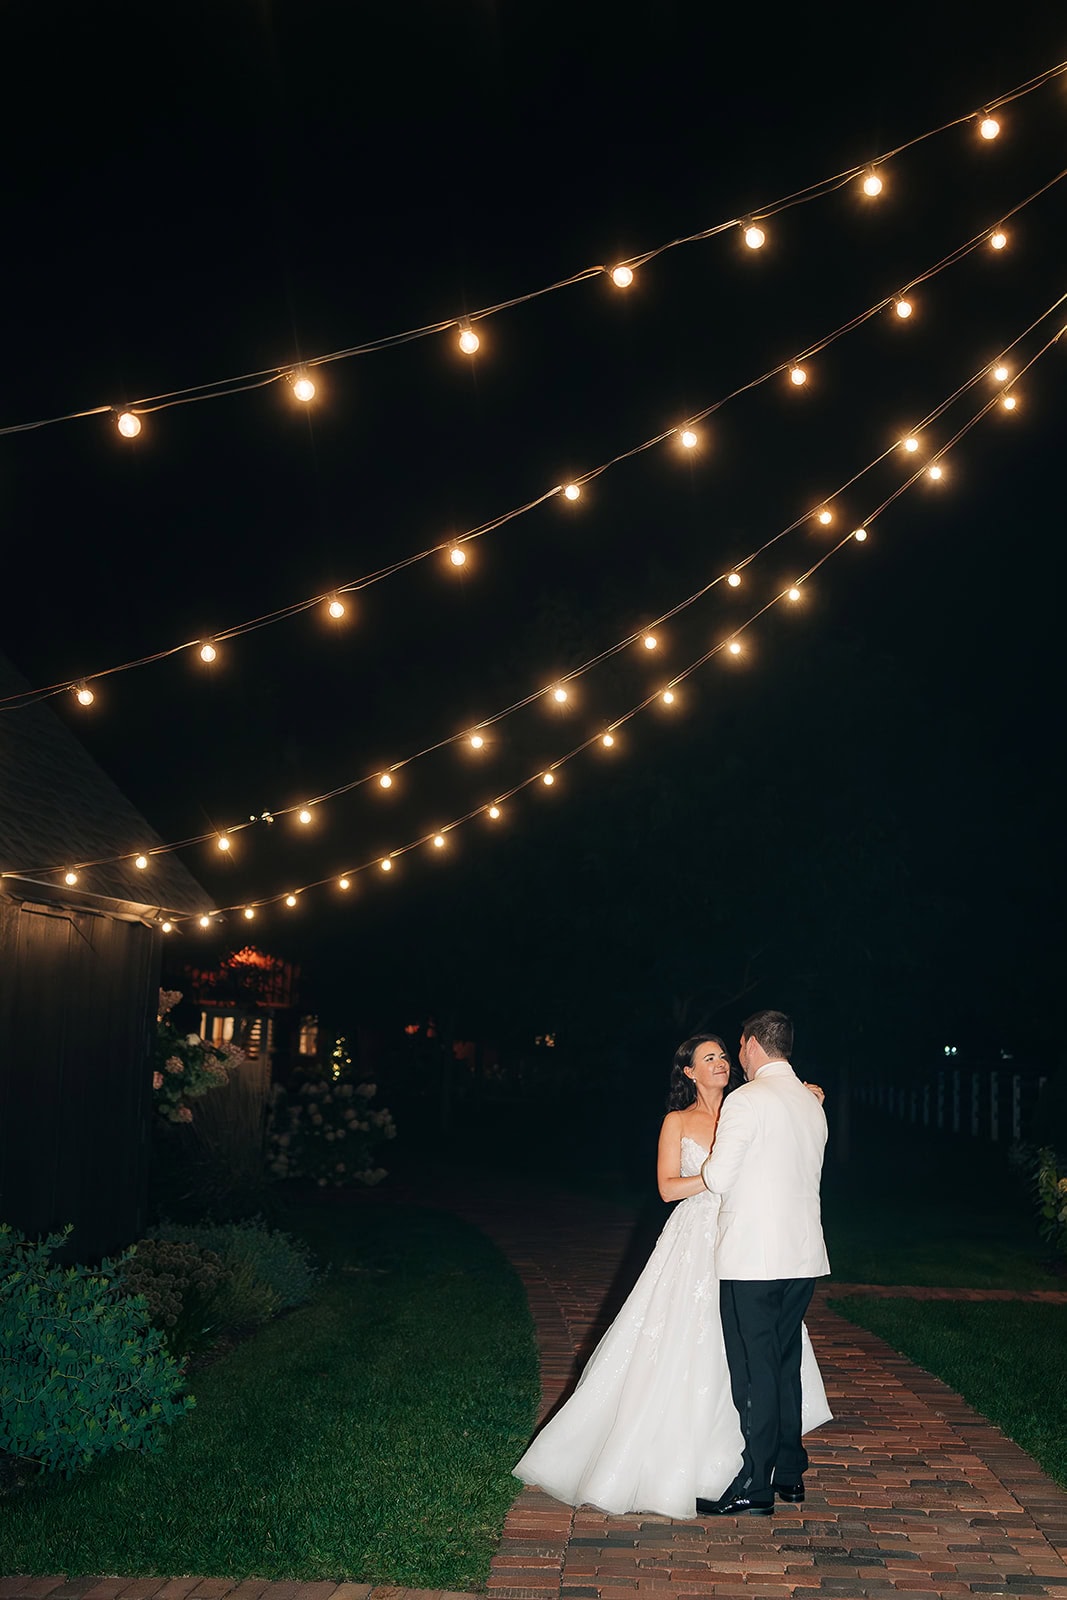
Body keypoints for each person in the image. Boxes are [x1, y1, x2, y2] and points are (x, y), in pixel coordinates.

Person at [511, 1033, 831, 1520]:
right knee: (696, 1345)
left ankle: (756, 1464)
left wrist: (807, 1097)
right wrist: (712, 1177)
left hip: (752, 1245)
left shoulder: (752, 1104)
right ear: (689, 1072)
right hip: (698, 1239)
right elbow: (665, 1188)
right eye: (709, 1058)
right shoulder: (678, 1121)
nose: (721, 1063)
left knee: (757, 1357)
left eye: (725, 1055)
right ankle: (709, 1462)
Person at [697, 1009, 830, 1516]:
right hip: (802, 1255)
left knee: (754, 1370)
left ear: (751, 1044)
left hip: (753, 1256)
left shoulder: (746, 1101)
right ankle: (790, 1473)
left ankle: (754, 1484)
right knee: (784, 1361)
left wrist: (712, 1159)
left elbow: (718, 1176)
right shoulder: (811, 1103)